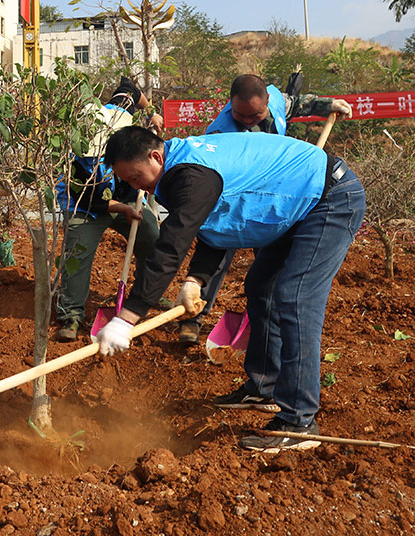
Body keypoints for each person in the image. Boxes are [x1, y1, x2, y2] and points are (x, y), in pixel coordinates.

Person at [96, 126, 365, 452]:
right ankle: (264, 387)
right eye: (128, 182)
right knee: (261, 287)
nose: (136, 186)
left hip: (328, 198)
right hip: (297, 204)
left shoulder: (190, 175)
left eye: (136, 177)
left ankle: (299, 422)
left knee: (295, 298)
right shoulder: (182, 166)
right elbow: (223, 222)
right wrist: (196, 280)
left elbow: (171, 247)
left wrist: (128, 317)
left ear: (155, 156)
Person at [177, 73, 353, 344]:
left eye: (255, 115)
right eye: (240, 114)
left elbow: (295, 103)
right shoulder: (220, 134)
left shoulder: (275, 100)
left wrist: (328, 104)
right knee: (217, 249)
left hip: (272, 199)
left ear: (267, 102)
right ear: (231, 104)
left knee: (271, 260)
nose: (247, 121)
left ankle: (264, 321)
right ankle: (193, 317)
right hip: (231, 198)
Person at [55, 78, 160, 341]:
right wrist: (122, 208)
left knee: (150, 233)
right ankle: (71, 313)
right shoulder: (74, 161)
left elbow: (131, 88)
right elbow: (90, 199)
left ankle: (148, 293)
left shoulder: (118, 114)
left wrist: (152, 112)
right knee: (77, 252)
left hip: (124, 198)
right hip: (84, 207)